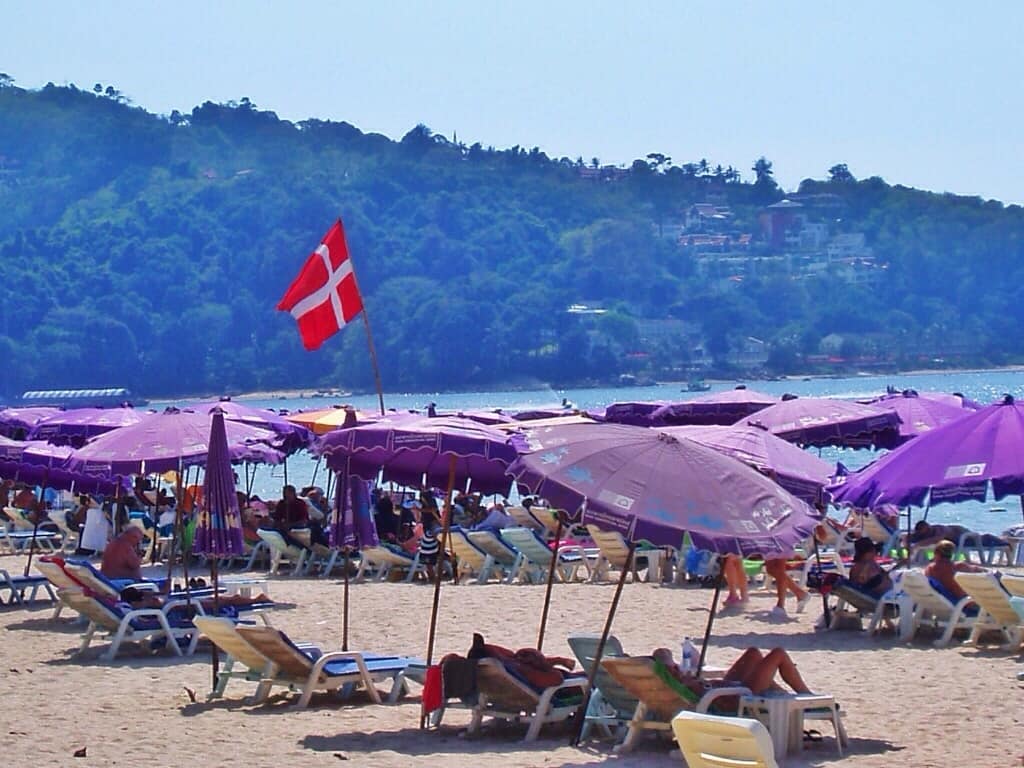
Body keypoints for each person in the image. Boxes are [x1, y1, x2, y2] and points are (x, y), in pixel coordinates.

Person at [654, 646, 813, 699]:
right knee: (778, 654)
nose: (677, 667)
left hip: (728, 689)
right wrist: (693, 681)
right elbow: (707, 695)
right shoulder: (685, 686)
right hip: (737, 695)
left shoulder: (673, 683)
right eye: (674, 666)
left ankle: (780, 694)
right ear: (671, 671)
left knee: (753, 654)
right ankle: (807, 697)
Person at [924, 539, 986, 604]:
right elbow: (978, 571)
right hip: (962, 604)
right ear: (952, 552)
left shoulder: (929, 569)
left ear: (936, 553)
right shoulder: (958, 567)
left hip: (941, 603)